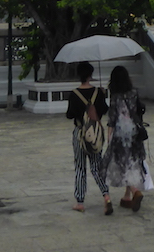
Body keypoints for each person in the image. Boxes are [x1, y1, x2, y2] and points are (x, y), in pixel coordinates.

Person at [65, 61, 112, 214]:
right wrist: (102, 95)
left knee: (80, 167)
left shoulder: (74, 93)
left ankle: (80, 201)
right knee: (97, 166)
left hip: (79, 133)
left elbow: (69, 114)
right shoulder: (98, 92)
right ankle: (106, 196)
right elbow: (104, 110)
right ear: (91, 75)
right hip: (95, 134)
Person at [102, 65, 147, 212]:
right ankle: (127, 196)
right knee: (132, 161)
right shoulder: (134, 93)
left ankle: (134, 191)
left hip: (121, 133)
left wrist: (109, 135)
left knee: (122, 163)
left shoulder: (116, 97)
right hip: (134, 131)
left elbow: (112, 118)